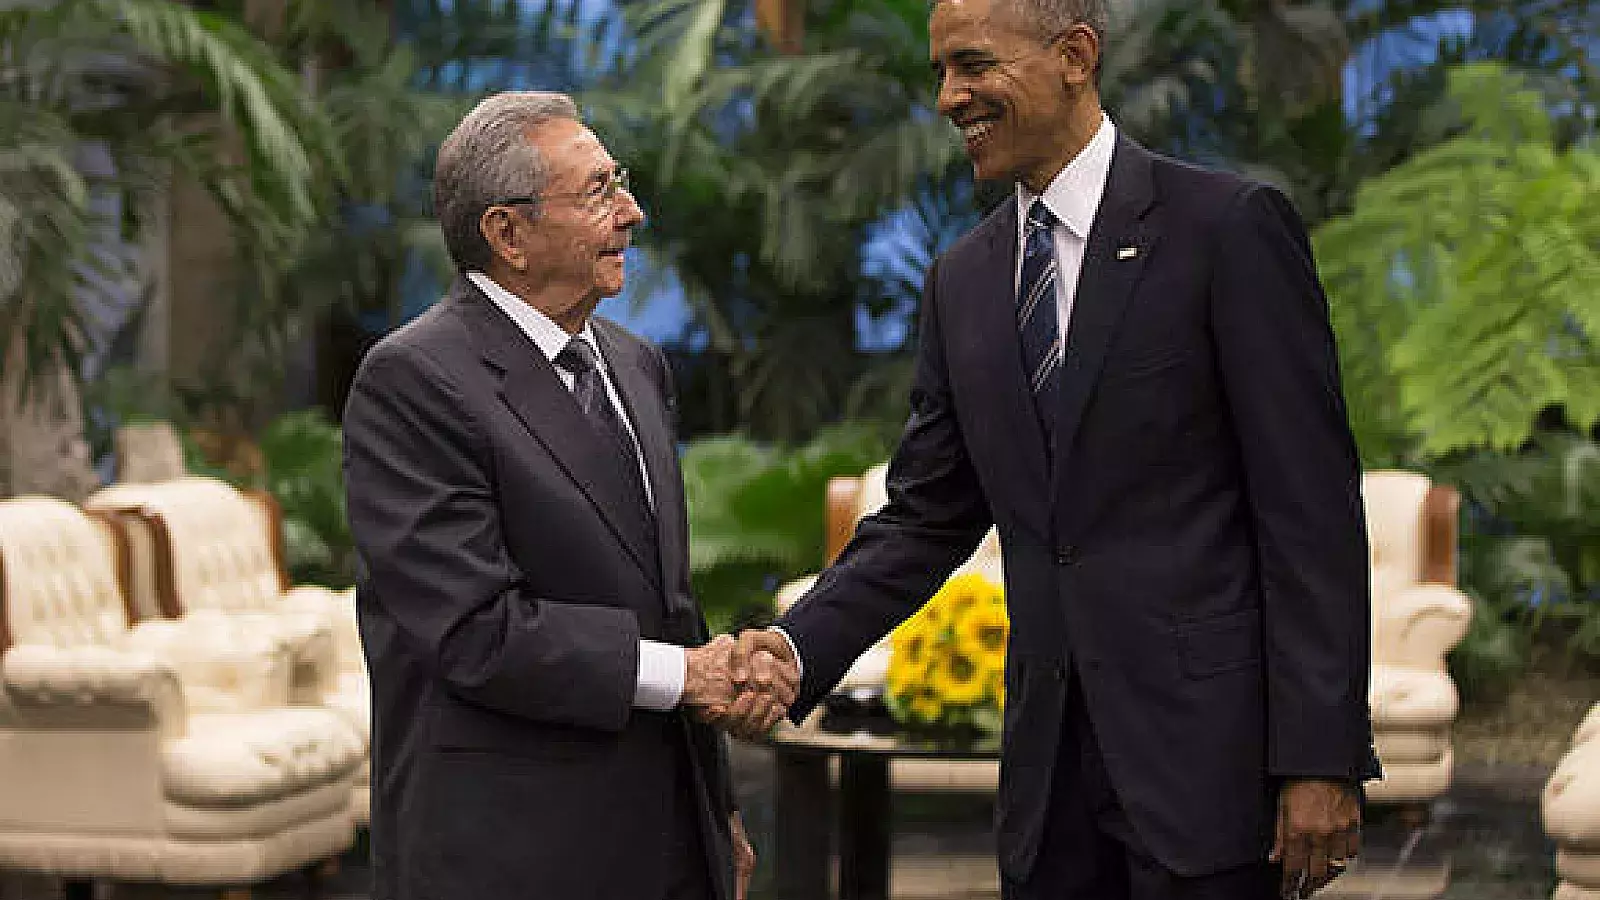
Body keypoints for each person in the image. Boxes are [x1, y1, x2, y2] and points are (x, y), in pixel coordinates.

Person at [732, 1, 1381, 898]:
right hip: (1048, 791)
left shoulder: (1225, 229)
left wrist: (1321, 757)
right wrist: (797, 649)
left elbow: (1310, 513)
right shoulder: (961, 281)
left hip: (1210, 773)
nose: (949, 97)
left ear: (1075, 56)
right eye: (940, 73)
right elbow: (926, 515)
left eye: (972, 66)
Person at [343, 91, 793, 900]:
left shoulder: (635, 362)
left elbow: (669, 603)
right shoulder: (412, 381)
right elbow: (475, 632)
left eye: (619, 182)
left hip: (662, 836)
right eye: (598, 193)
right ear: (507, 235)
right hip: (508, 850)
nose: (634, 213)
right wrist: (686, 676)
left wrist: (713, 808)